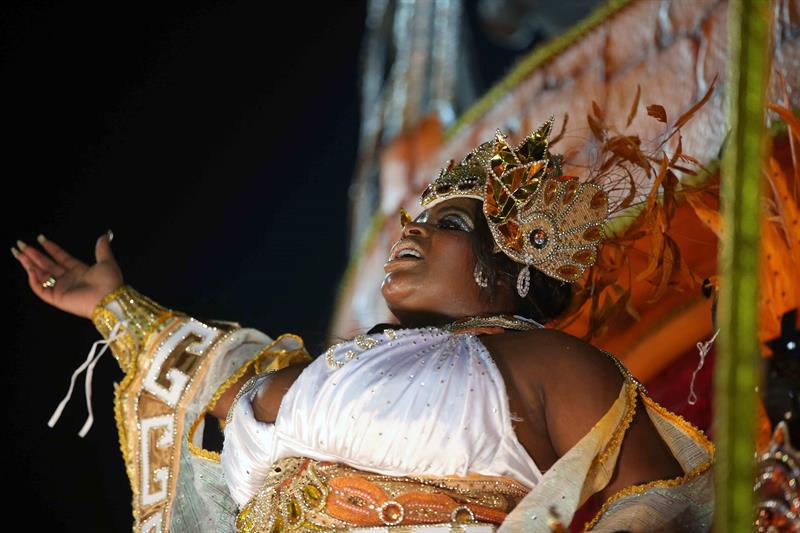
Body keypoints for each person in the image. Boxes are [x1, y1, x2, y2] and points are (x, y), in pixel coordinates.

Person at [13, 120, 714, 532]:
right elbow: (212, 378)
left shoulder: (549, 362)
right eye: (414, 218)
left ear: (508, 265)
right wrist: (113, 303)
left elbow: (663, 509)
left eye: (446, 224)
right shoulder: (339, 364)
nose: (412, 230)